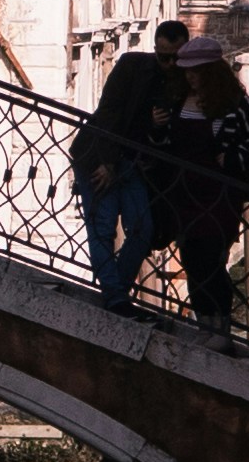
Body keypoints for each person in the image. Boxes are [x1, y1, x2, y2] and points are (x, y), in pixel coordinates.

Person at [157, 29, 249, 331]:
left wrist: (234, 158)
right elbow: (166, 144)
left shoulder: (234, 103)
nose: (191, 77)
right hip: (184, 195)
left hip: (219, 196)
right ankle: (206, 325)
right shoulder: (178, 100)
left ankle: (221, 328)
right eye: (188, 72)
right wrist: (157, 127)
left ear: (211, 72)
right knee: (191, 261)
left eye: (197, 72)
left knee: (211, 261)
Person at [73, 35, 178, 304]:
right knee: (103, 227)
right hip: (99, 157)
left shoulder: (182, 79)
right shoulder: (132, 65)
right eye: (164, 57)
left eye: (175, 58)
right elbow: (109, 113)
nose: (170, 63)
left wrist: (154, 126)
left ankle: (116, 292)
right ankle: (115, 293)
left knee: (143, 228)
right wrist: (107, 163)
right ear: (156, 51)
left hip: (132, 162)